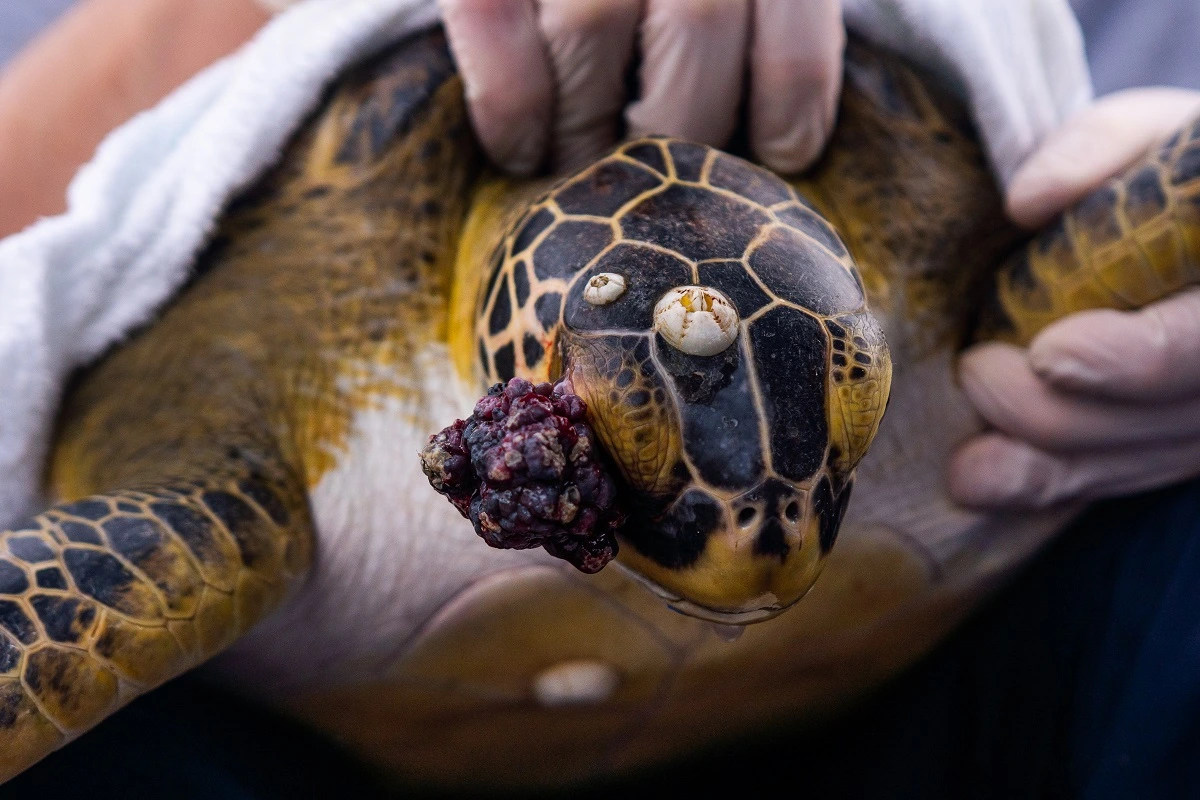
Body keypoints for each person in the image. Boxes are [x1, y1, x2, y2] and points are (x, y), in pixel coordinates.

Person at [0, 1, 1197, 797]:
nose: (758, 549)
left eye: (840, 418)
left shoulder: (932, 218)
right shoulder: (282, 327)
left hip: (957, 695)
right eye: (635, 436)